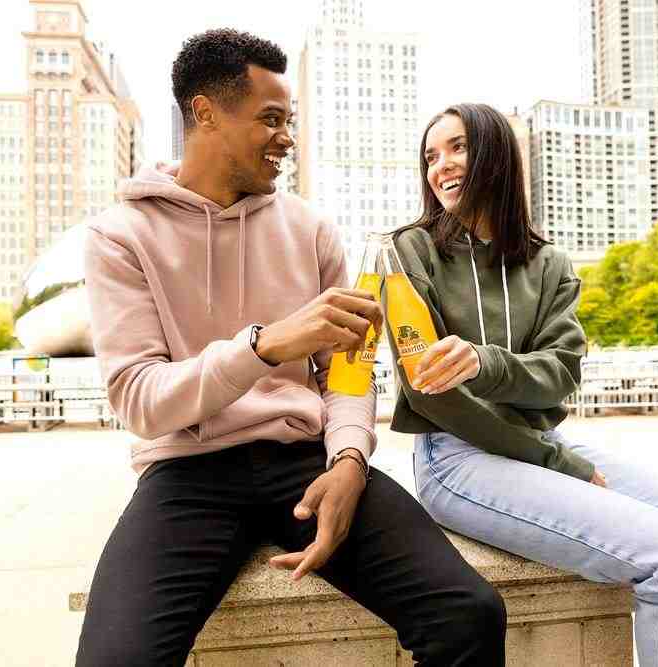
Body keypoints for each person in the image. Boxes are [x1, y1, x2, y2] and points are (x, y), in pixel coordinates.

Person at [75, 32, 505, 667]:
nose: (286, 137)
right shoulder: (119, 236)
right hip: (187, 474)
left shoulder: (311, 229)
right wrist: (267, 345)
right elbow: (141, 402)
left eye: (290, 121)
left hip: (306, 461)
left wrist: (351, 461)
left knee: (469, 614)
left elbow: (349, 376)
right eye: (270, 119)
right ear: (205, 113)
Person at [387, 102, 658, 666]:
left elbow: (558, 378)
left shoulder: (548, 262)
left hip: (540, 449)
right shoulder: (409, 251)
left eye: (457, 147)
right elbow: (437, 395)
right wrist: (561, 464)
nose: (441, 166)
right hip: (456, 460)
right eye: (430, 156)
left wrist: (488, 365)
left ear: (496, 155)